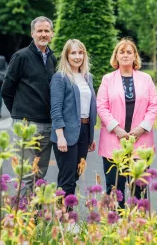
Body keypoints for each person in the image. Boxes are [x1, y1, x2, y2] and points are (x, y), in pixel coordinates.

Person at [97, 38, 157, 208]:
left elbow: (154, 105)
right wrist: (116, 129)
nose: (125, 55)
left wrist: (142, 128)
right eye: (121, 52)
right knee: (114, 187)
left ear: (135, 56)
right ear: (116, 56)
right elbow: (101, 106)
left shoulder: (146, 79)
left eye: (129, 52)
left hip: (141, 141)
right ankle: (115, 223)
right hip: (113, 141)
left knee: (139, 186)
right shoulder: (107, 79)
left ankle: (138, 225)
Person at [1, 16, 57, 194]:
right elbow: (6, 90)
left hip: (47, 125)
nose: (43, 34)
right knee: (26, 175)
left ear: (52, 34)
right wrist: (19, 115)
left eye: (46, 31)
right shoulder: (21, 57)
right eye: (39, 31)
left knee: (40, 174)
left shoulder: (52, 58)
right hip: (26, 125)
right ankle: (24, 219)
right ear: (32, 33)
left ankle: (37, 217)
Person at [50, 39, 97, 196]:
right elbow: (56, 109)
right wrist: (60, 136)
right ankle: (64, 217)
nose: (77, 56)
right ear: (66, 55)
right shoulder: (60, 77)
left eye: (80, 53)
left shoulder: (87, 77)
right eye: (73, 53)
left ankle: (67, 215)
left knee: (76, 174)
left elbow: (89, 107)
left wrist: (90, 136)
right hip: (66, 134)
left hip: (84, 131)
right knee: (67, 178)